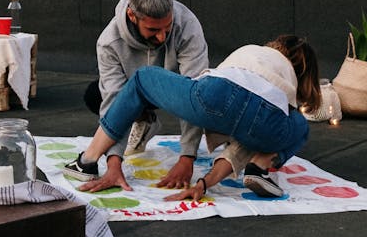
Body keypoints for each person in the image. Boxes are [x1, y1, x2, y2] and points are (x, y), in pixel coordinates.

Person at [65, 35, 322, 199]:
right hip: (267, 118)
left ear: (276, 46)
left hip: (218, 94)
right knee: (299, 125)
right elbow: (243, 145)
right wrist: (205, 183)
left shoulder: (255, 50)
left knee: (143, 79)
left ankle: (87, 160)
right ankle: (261, 166)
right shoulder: (289, 84)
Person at [84, 0, 209, 192]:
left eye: (167, 28)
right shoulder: (108, 42)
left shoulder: (187, 25)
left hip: (175, 89)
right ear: (132, 16)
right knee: (95, 94)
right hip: (133, 94)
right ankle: (144, 119)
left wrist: (187, 157)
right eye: (153, 30)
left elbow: (195, 93)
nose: (162, 37)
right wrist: (113, 164)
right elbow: (114, 104)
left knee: (211, 97)